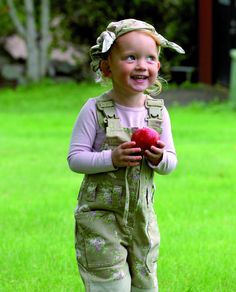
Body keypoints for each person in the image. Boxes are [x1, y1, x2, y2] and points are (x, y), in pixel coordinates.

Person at [67, 18, 185, 292]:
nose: (141, 65)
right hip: (101, 219)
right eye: (131, 57)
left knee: (145, 284)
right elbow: (75, 158)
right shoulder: (94, 109)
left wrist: (159, 158)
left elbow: (171, 162)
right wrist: (111, 158)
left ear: (157, 65)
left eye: (150, 58)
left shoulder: (157, 112)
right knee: (110, 285)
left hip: (142, 220)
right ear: (107, 66)